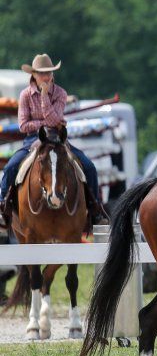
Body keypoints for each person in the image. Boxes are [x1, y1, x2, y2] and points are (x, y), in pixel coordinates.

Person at [0, 54, 106, 228]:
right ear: (33, 74)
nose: (46, 77)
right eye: (42, 73)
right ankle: (3, 207)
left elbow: (52, 121)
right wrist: (47, 122)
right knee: (11, 166)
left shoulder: (60, 94)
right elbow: (23, 126)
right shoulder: (25, 95)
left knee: (88, 166)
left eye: (49, 72)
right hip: (33, 139)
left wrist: (43, 98)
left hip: (58, 138)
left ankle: (95, 209)